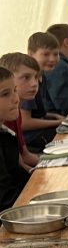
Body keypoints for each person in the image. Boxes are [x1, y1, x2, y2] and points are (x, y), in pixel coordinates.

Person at [0, 53, 46, 169]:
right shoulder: (7, 115)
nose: (34, 84)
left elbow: (24, 156)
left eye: (36, 77)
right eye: (26, 77)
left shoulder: (15, 111)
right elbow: (22, 161)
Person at [24, 32, 64, 149]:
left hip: (40, 131)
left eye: (56, 54)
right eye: (46, 54)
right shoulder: (29, 83)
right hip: (31, 138)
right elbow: (25, 122)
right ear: (31, 54)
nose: (52, 59)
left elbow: (37, 112)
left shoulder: (42, 76)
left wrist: (55, 116)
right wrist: (59, 122)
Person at [0, 65, 29, 208]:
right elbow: (5, 199)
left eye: (15, 90)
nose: (16, 99)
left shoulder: (6, 135)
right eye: (5, 94)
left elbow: (20, 179)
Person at [44, 23, 68, 114]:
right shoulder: (60, 66)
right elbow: (64, 104)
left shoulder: (63, 64)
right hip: (61, 117)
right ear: (67, 42)